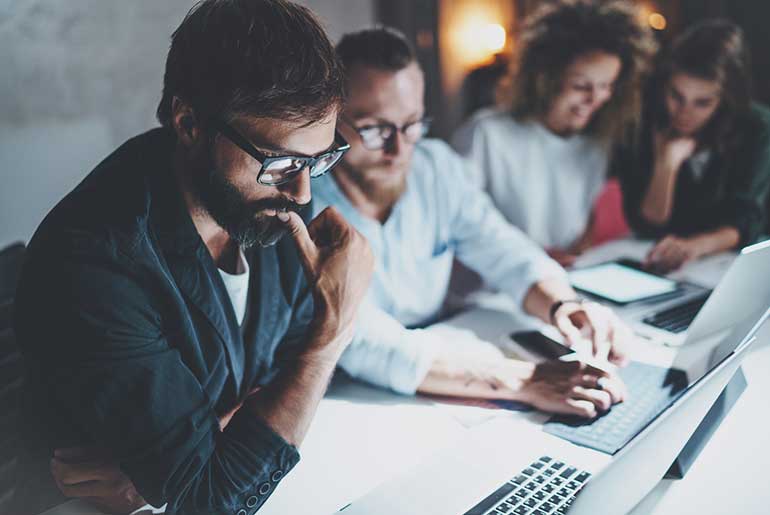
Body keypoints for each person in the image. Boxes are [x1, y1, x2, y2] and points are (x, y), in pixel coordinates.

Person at [12, 1, 374, 514]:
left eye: (318, 160)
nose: (301, 192)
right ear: (188, 123)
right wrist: (331, 333)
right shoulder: (91, 262)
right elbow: (206, 502)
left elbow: (274, 382)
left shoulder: (265, 207)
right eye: (280, 162)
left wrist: (183, 459)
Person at [313, 27, 634, 420]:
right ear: (330, 119)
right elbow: (361, 340)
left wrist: (562, 304)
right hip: (349, 397)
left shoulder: (437, 165)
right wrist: (525, 381)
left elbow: (503, 248)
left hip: (445, 374)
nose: (400, 149)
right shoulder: (304, 200)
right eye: (376, 130)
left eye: (412, 124)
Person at [453, 0, 655, 267]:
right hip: (495, 287)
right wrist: (530, 258)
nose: (596, 99)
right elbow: (453, 226)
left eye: (606, 85)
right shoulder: (486, 135)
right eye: (581, 85)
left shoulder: (596, 144)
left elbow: (583, 222)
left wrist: (576, 252)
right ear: (544, 79)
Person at [616, 20, 770, 272]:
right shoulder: (644, 121)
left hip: (726, 261)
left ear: (724, 99)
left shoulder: (756, 126)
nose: (684, 113)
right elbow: (646, 225)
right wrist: (666, 165)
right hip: (657, 256)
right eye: (676, 96)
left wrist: (694, 246)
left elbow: (745, 218)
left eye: (702, 102)